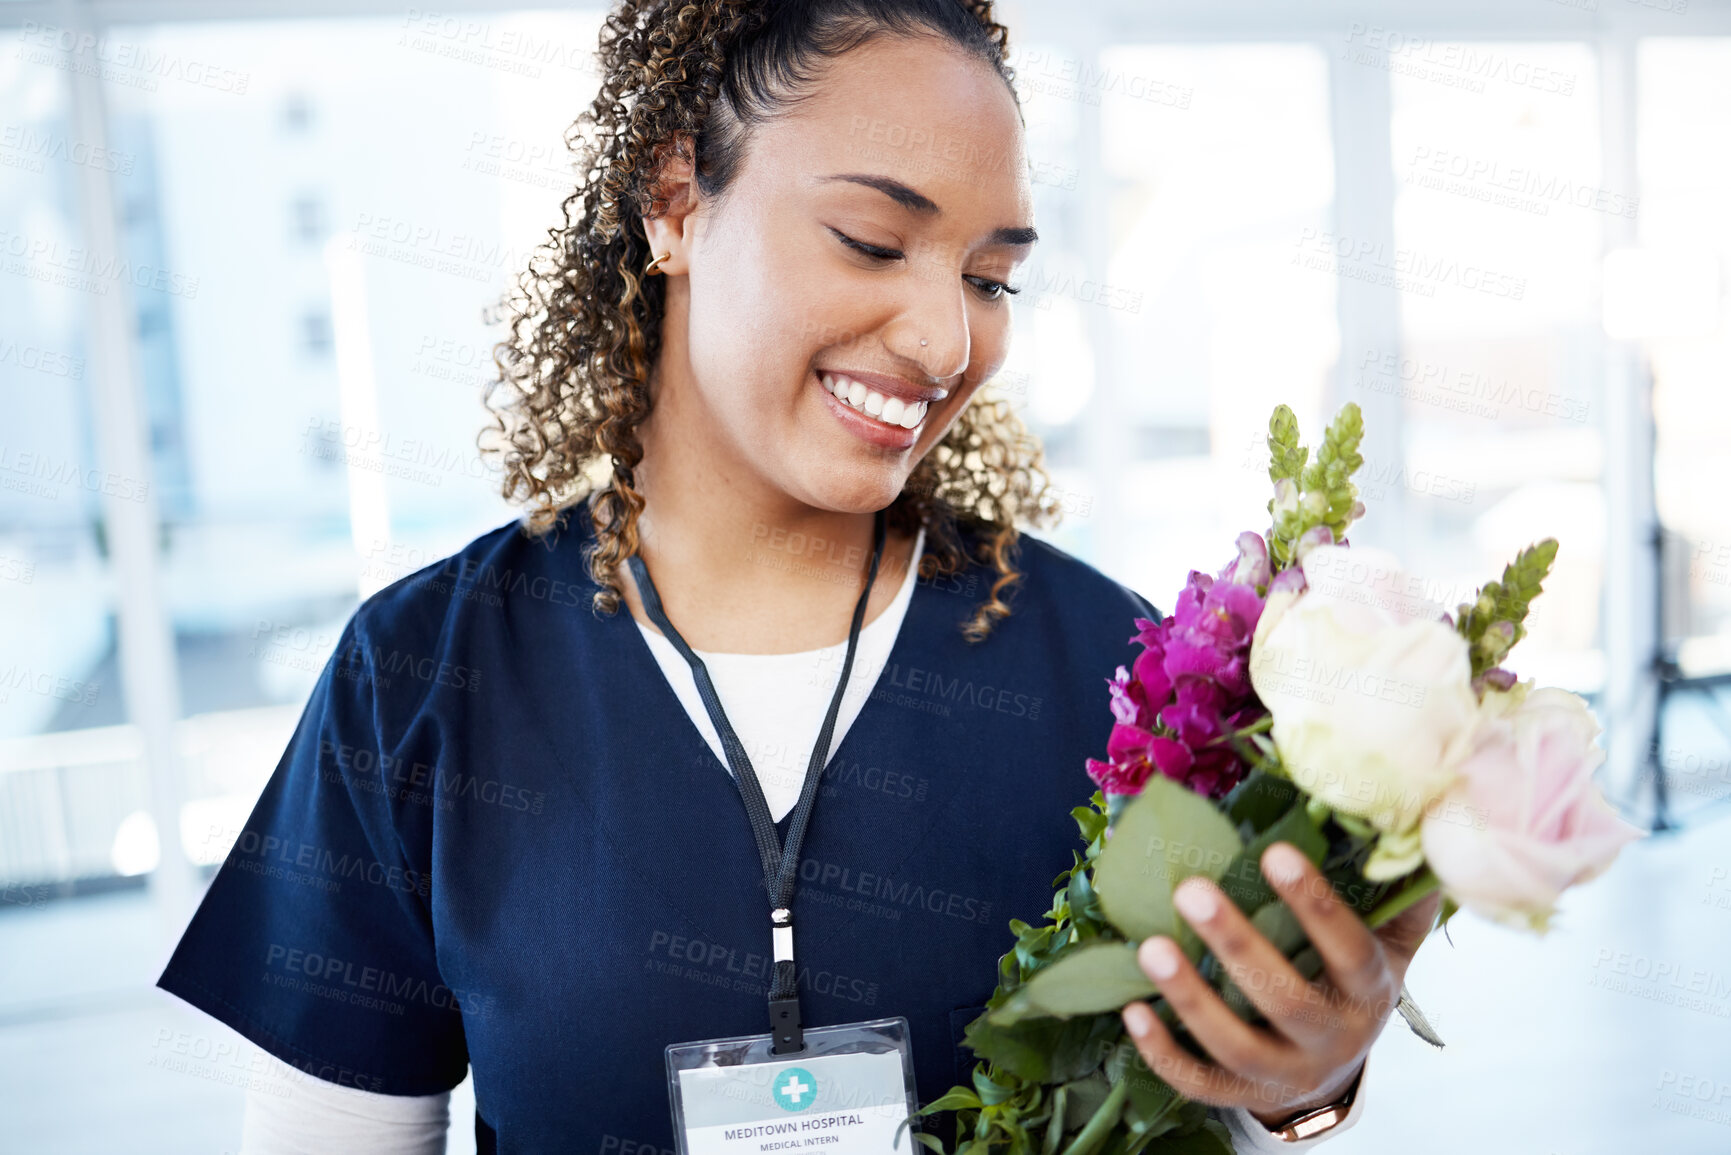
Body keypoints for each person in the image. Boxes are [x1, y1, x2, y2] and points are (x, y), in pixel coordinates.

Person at [155, 1, 1440, 1151]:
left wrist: (1303, 1093)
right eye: (875, 241)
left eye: (991, 277)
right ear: (676, 200)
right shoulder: (424, 678)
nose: (948, 338)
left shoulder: (1111, 674)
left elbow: (1189, 1101)